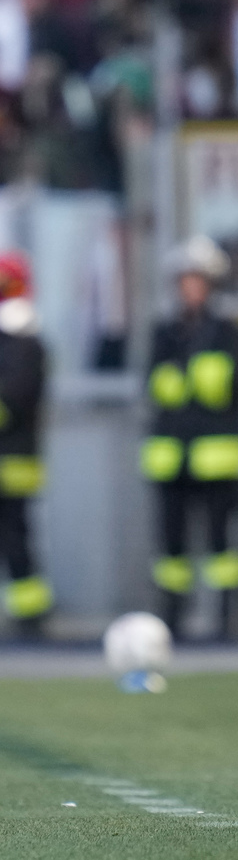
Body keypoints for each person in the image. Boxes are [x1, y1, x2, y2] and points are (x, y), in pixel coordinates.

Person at [140, 235, 238, 640]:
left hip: (217, 458)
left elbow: (233, 385)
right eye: (183, 280)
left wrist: (190, 380)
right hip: (171, 456)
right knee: (172, 547)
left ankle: (226, 621)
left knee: (223, 545)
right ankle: (171, 619)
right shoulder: (166, 331)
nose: (189, 288)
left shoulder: (228, 330)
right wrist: (194, 379)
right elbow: (156, 385)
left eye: (196, 279)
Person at [0, 250, 53, 633]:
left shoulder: (25, 344)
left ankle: (31, 618)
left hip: (14, 460)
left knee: (15, 538)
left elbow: (14, 399)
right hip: (16, 458)